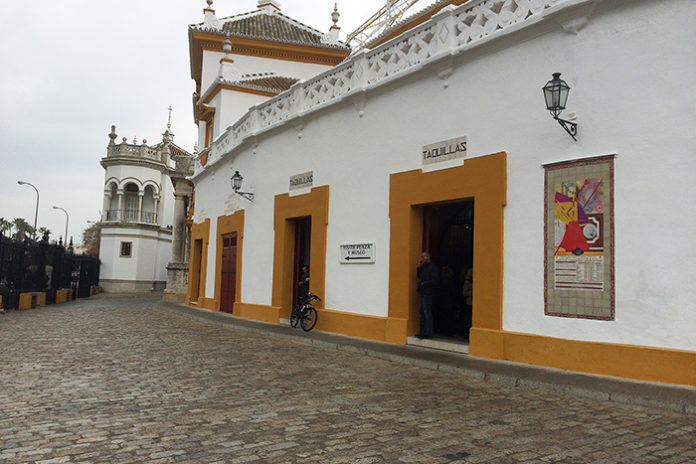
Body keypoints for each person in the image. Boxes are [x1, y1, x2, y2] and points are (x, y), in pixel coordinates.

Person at [416, 252, 439, 339]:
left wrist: (424, 284)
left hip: (428, 293)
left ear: (427, 258)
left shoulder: (432, 267)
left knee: (427, 312)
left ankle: (428, 332)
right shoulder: (424, 268)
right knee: (421, 312)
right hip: (422, 292)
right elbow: (419, 277)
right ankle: (423, 331)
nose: (421, 259)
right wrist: (418, 268)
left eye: (423, 257)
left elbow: (435, 280)